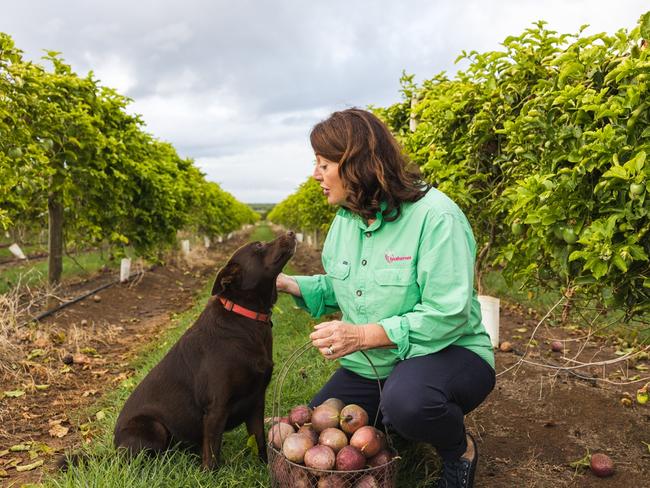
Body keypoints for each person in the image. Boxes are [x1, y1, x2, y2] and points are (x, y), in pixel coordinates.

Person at [276, 108, 495, 488]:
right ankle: (398, 424)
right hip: (377, 363)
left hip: (449, 351)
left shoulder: (435, 217)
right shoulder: (347, 219)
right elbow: (344, 287)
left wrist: (360, 336)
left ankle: (457, 450)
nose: (315, 175)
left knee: (409, 403)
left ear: (354, 165)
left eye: (323, 164)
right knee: (318, 421)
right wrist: (291, 284)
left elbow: (448, 313)